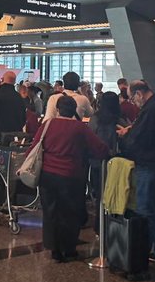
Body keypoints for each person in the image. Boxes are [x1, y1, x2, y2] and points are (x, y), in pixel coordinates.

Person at [33, 95, 109, 261]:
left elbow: (34, 147)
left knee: (51, 211)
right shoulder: (80, 128)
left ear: (58, 109)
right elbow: (99, 147)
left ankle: (54, 249)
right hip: (71, 176)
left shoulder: (48, 125)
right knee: (70, 212)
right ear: (74, 110)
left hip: (47, 175)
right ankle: (69, 248)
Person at [118, 83, 155, 266]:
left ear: (139, 93)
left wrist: (125, 138)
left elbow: (139, 140)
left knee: (145, 210)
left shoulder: (150, 110)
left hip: (149, 164)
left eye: (132, 97)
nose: (133, 102)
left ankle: (140, 254)